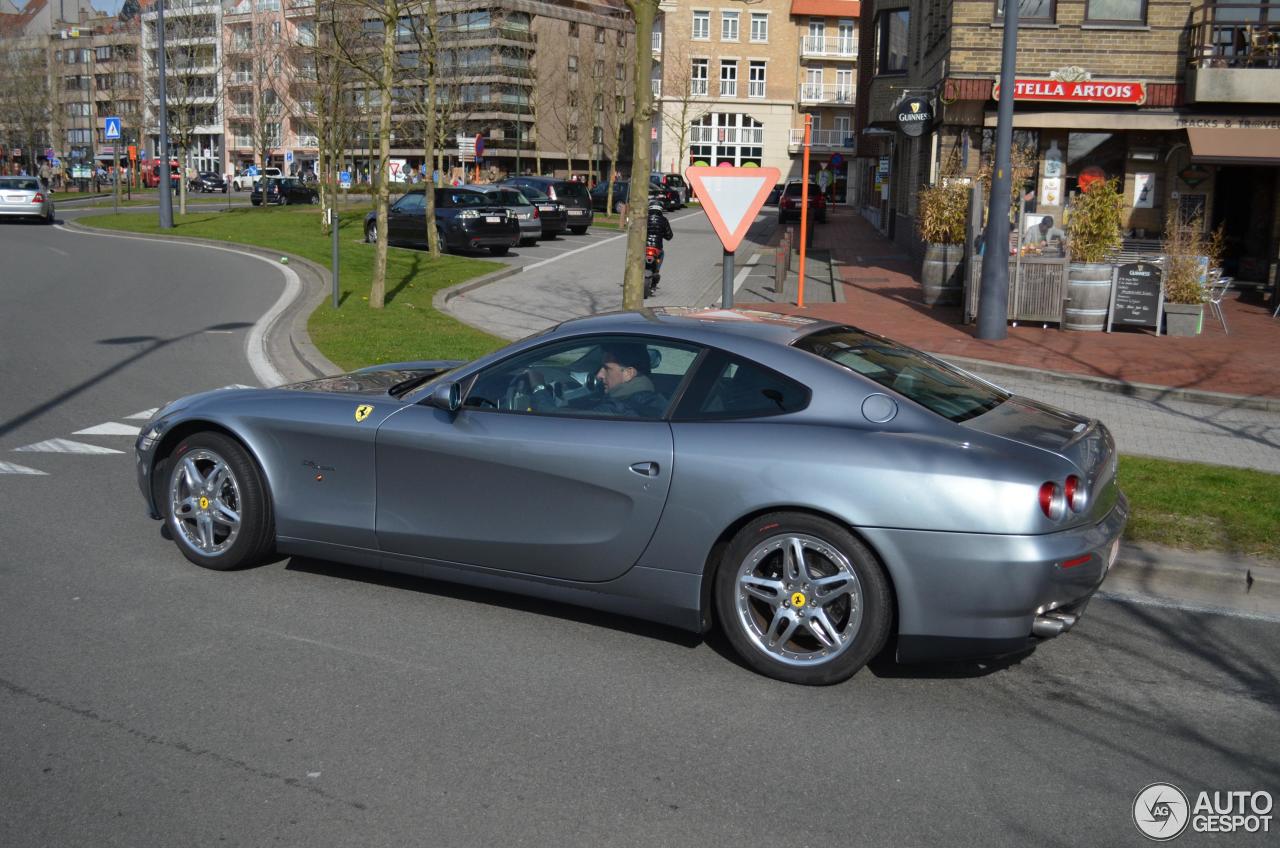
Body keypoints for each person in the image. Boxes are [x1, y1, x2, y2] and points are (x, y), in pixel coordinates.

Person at [586, 343, 667, 418]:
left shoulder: (614, 410)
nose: (599, 375)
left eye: (607, 368)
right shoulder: (657, 401)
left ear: (628, 373)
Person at [645, 196, 674, 290]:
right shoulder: (664, 220)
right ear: (661, 209)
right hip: (657, 248)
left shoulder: (644, 218)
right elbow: (669, 236)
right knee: (662, 254)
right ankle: (656, 271)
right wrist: (662, 234)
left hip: (644, 246)